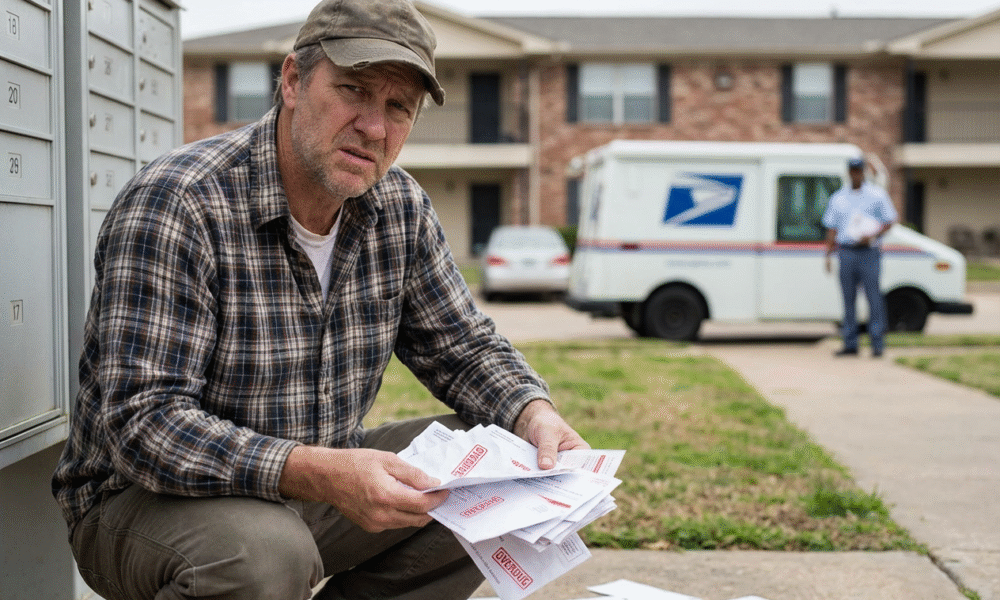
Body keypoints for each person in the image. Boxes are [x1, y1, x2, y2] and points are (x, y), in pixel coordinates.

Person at [51, 0, 589, 598]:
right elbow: (144, 426)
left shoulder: (400, 210)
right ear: (291, 81)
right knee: (262, 555)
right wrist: (321, 473)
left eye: (397, 108)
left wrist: (534, 414)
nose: (375, 127)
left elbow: (461, 347)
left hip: (315, 489)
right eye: (353, 91)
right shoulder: (180, 202)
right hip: (147, 502)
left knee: (508, 480)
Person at [822, 157, 898, 357]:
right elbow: (832, 227)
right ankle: (850, 343)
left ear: (864, 172)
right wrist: (828, 255)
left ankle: (877, 343)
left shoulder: (876, 195)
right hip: (846, 251)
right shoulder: (838, 198)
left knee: (873, 297)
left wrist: (872, 235)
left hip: (869, 252)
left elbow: (889, 221)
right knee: (848, 299)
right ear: (849, 172)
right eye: (853, 171)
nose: (856, 174)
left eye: (859, 171)